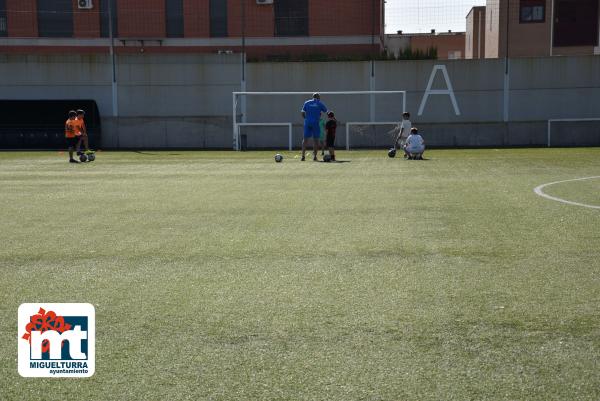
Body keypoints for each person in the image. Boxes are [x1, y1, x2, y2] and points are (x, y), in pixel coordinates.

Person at [301, 92, 327, 161]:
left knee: (305, 139)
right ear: (319, 97)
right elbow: (326, 111)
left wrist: (306, 119)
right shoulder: (320, 103)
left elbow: (302, 112)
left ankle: (303, 156)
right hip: (315, 123)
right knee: (316, 140)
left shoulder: (307, 102)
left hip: (307, 122)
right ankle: (315, 156)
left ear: (313, 97)